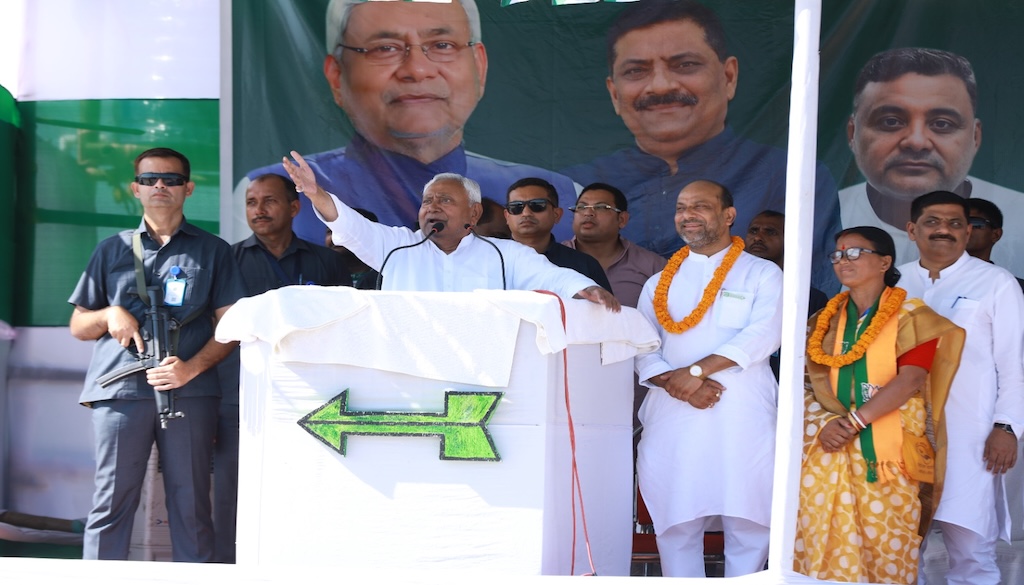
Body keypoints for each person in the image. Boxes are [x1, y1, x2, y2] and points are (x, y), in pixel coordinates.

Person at [239, 0, 580, 245]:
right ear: (336, 76)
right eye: (385, 48)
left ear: (479, 66)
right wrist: (314, 193)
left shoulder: (563, 195)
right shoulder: (267, 189)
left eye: (442, 45)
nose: (417, 70)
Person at [561, 0, 840, 294]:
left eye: (685, 65)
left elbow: (818, 283)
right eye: (636, 70)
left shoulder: (791, 174)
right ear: (615, 93)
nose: (661, 86)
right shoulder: (576, 181)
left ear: (728, 76)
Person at [68, 148, 246, 561]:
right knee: (111, 503)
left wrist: (191, 368)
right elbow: (78, 325)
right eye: (149, 179)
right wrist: (109, 314)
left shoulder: (214, 250)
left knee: (191, 505)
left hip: (189, 390)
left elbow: (232, 327)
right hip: (120, 390)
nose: (160, 186)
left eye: (171, 178)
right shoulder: (110, 249)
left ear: (189, 188)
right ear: (136, 189)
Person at [794, 225, 963, 584]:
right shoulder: (822, 321)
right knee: (819, 537)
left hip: (887, 453)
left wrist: (854, 423)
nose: (844, 261)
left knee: (887, 546)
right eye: (838, 255)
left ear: (885, 262)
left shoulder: (914, 317)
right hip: (827, 445)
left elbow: (911, 380)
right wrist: (824, 424)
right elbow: (804, 383)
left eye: (855, 253)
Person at [633, 179, 782, 577]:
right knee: (676, 521)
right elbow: (643, 345)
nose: (688, 215)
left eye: (699, 206)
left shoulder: (762, 274)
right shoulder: (658, 283)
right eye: (681, 208)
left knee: (749, 522)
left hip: (742, 415)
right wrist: (677, 385)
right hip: (673, 414)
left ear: (728, 215)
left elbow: (764, 333)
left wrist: (696, 373)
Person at [283, 150, 620, 312]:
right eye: (427, 201)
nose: (433, 206)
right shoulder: (397, 246)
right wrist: (315, 193)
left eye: (445, 200)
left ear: (474, 213)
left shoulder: (504, 254)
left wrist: (584, 287)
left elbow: (552, 276)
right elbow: (349, 225)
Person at [214, 173, 352, 563]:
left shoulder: (326, 262)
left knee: (306, 488)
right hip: (238, 399)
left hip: (309, 399)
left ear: (294, 207)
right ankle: (228, 570)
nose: (259, 210)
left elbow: (343, 330)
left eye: (269, 201)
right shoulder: (227, 260)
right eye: (251, 202)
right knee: (232, 492)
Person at [898, 192, 1024, 585]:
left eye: (955, 223)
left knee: (971, 547)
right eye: (933, 221)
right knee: (901, 547)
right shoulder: (894, 281)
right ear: (912, 229)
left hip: (970, 434)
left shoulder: (996, 283)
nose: (944, 230)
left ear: (968, 232)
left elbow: (1013, 364)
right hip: (899, 434)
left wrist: (1006, 426)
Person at [840, 47, 1024, 277]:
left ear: (975, 137)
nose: (916, 142)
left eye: (942, 124)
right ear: (853, 133)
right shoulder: (823, 214)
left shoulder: (1020, 216)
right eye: (890, 121)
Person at [744, 210, 828, 378]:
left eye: (770, 232)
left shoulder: (809, 298)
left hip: (786, 385)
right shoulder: (729, 288)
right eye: (754, 230)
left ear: (790, 239)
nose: (758, 237)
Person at [562, 182, 666, 309]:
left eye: (601, 207)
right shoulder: (551, 259)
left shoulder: (653, 266)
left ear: (622, 219)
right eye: (582, 207)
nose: (588, 213)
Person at [504, 178, 611, 291]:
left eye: (537, 205)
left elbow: (603, 303)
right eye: (516, 207)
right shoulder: (493, 260)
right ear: (507, 216)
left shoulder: (585, 265)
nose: (526, 213)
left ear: (557, 214)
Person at [964, 198, 1024, 292]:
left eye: (975, 223)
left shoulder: (1012, 287)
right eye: (956, 223)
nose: (964, 229)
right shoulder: (939, 276)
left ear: (996, 234)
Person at [326, 209, 380, 290]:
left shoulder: (390, 275)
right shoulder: (318, 273)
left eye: (344, 231)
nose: (335, 238)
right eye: (330, 231)